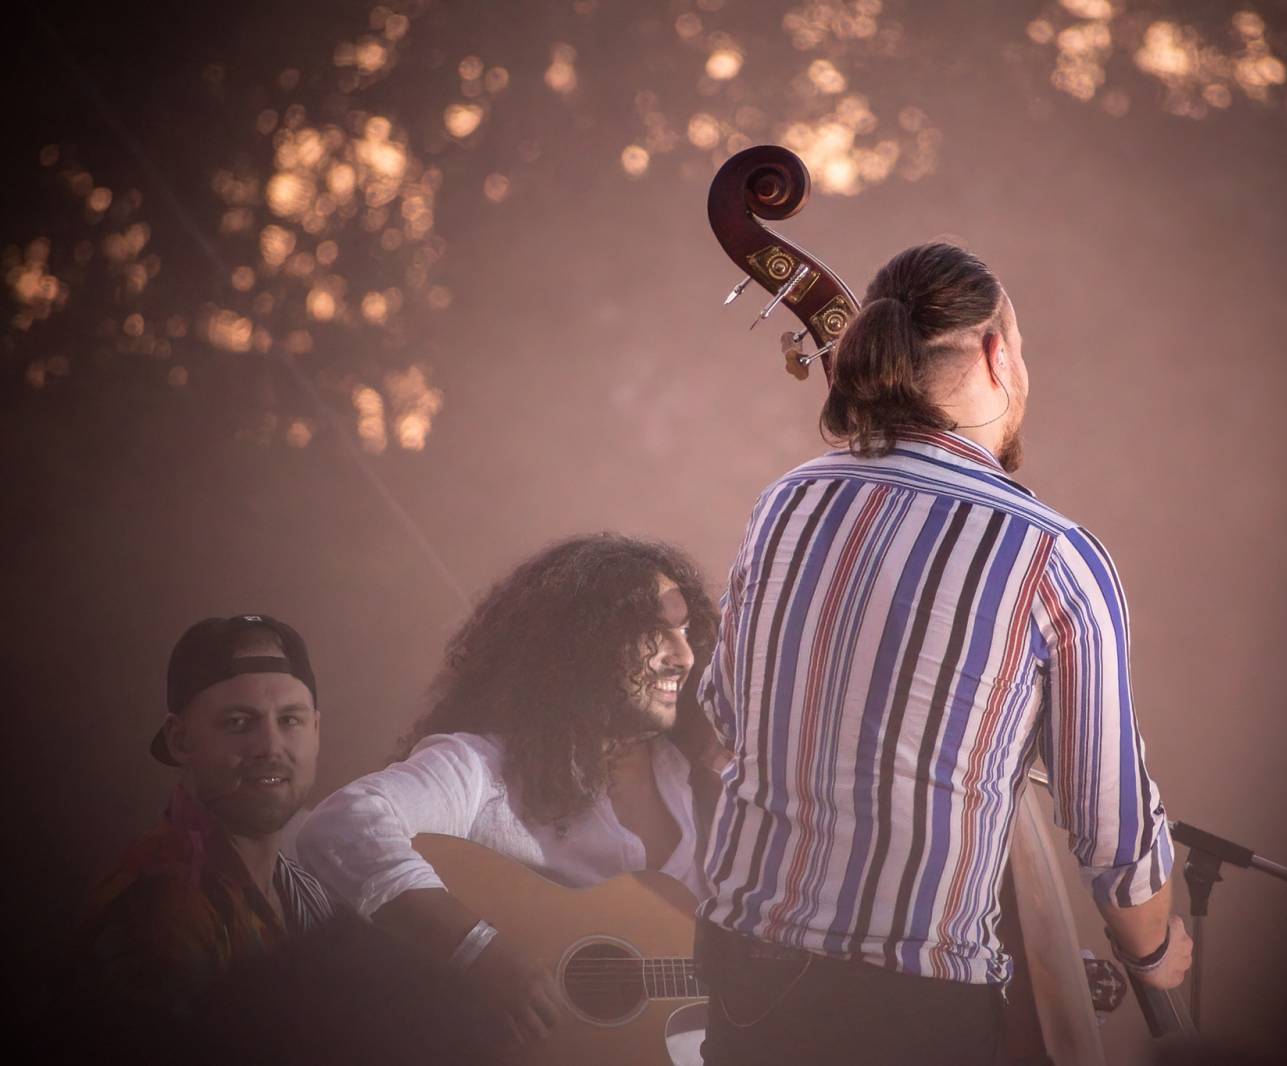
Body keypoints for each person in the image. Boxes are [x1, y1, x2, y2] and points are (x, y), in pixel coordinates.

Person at [694, 242, 1193, 1065]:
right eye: (1022, 348)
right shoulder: (1053, 557)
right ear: (997, 354)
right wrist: (1154, 950)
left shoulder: (784, 503)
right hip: (901, 1004)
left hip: (742, 966)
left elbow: (724, 711)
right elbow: (1112, 833)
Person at [297, 533, 719, 1048]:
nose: (684, 656)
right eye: (654, 630)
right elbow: (340, 826)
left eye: (685, 630)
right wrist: (480, 950)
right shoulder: (485, 768)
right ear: (580, 642)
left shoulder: (708, 784)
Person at [64, 614, 333, 1043]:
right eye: (239, 722)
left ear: (316, 730)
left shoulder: (302, 886)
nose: (271, 746)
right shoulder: (160, 911)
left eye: (290, 720)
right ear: (180, 739)